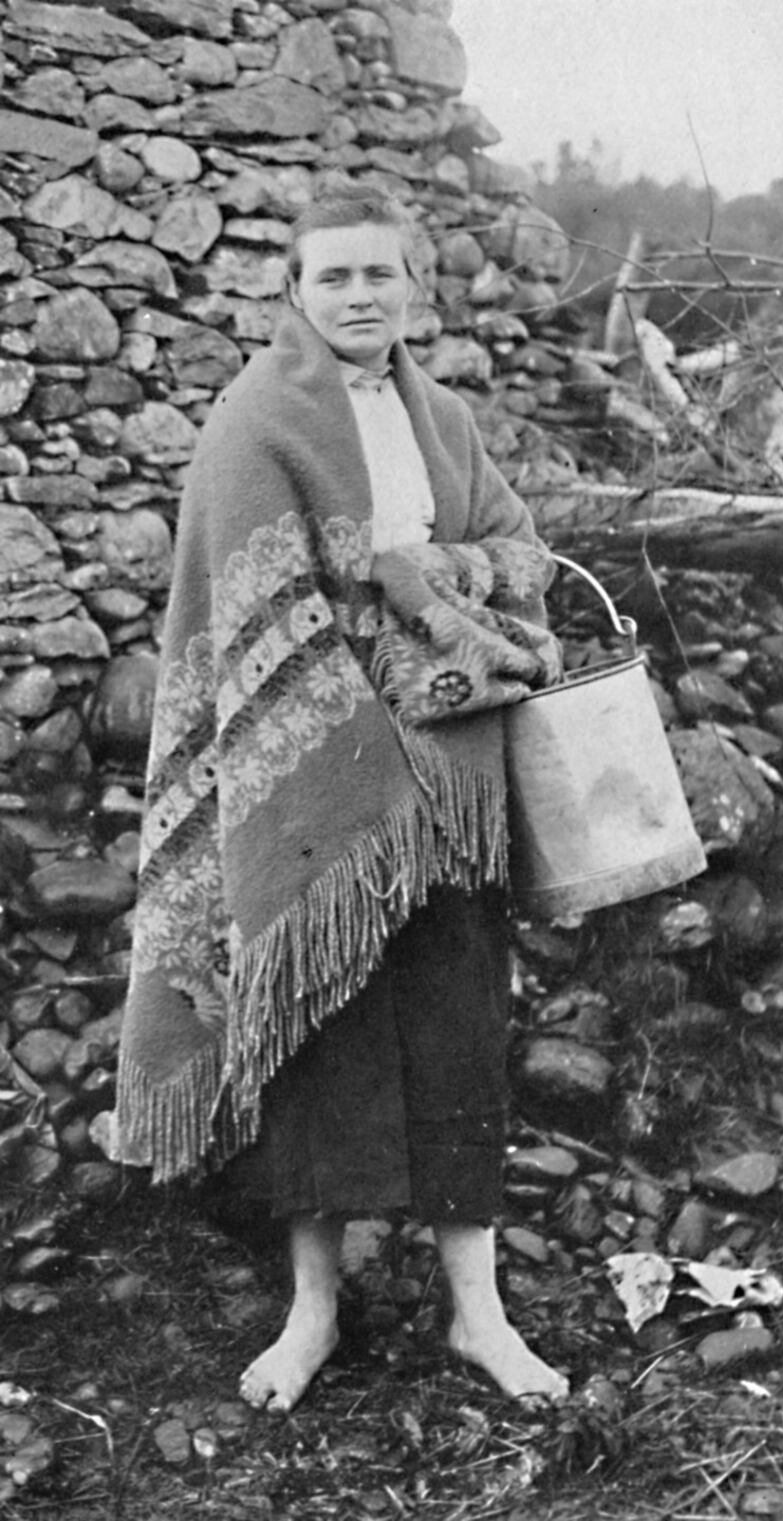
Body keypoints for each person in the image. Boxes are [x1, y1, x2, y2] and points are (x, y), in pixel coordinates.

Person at [115, 180, 568, 1415]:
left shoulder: (448, 420)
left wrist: (427, 582)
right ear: (295, 293)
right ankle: (313, 1308)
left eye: (380, 274)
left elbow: (518, 554)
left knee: (457, 1030)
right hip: (316, 784)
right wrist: (389, 668)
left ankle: (479, 1315)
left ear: (411, 287)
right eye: (335, 277)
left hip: (457, 771)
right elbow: (251, 624)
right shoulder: (251, 425)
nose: (359, 296)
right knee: (315, 1031)